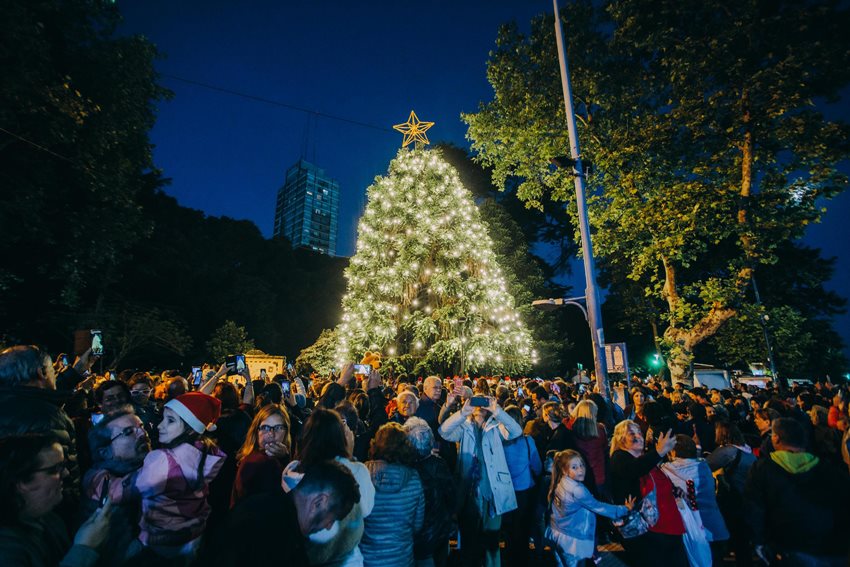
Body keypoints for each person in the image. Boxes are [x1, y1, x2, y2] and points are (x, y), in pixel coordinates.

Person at [121, 392, 225, 560]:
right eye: (163, 419)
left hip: (157, 545)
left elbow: (123, 492)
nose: (160, 426)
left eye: (170, 421)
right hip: (192, 540)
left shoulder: (162, 460)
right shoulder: (206, 453)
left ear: (191, 429)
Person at [201, 460, 362, 566]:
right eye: (333, 518)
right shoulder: (284, 545)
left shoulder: (256, 505)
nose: (328, 526)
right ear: (318, 502)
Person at [745, 417, 850, 565]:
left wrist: (758, 542)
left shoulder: (762, 469)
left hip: (787, 546)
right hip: (830, 547)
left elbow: (755, 509)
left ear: (776, 438)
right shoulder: (828, 469)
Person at [0, 346, 88, 517]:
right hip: (42, 520)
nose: (56, 375)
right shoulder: (49, 418)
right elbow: (64, 483)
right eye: (53, 371)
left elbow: (33, 395)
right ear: (41, 372)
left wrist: (75, 373)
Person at [0, 434, 112, 566]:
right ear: (22, 482)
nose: (66, 473)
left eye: (64, 465)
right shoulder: (6, 550)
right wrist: (84, 549)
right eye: (55, 469)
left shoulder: (51, 519)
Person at [283, 407, 375, 566]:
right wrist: (350, 457)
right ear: (341, 437)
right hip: (348, 561)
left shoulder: (292, 474)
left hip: (307, 558)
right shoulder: (357, 470)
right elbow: (365, 509)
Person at [439, 396, 522, 567]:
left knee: (492, 539)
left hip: (493, 492)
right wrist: (463, 412)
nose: (479, 407)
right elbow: (444, 432)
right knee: (470, 539)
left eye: (483, 403)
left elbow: (516, 431)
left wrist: (497, 410)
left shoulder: (496, 427)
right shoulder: (464, 427)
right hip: (469, 491)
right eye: (475, 403)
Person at [609, 420, 687, 567]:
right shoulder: (619, 458)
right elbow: (634, 470)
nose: (638, 436)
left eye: (639, 432)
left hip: (665, 526)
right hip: (644, 531)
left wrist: (675, 490)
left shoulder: (642, 458)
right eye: (632, 433)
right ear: (620, 438)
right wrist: (659, 452)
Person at [82, 408, 151, 565]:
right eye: (128, 432)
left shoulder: (146, 465)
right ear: (106, 452)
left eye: (142, 427)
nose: (142, 434)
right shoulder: (96, 478)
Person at [546, 450, 632, 567]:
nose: (580, 470)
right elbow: (598, 507)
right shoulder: (577, 489)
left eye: (581, 465)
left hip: (558, 532)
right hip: (571, 541)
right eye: (574, 467)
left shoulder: (561, 481)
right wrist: (624, 509)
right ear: (565, 470)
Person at [362, 422, 425, 567]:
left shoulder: (363, 473)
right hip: (400, 557)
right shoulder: (413, 478)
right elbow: (417, 524)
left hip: (367, 558)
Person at [660, 435, 726, 567]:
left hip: (691, 528)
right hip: (713, 525)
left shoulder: (666, 470)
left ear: (673, 451)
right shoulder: (704, 466)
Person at [404, 417, 455, 567]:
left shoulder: (405, 467)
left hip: (414, 534)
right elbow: (451, 497)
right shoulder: (439, 464)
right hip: (438, 531)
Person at [706, 422, 756, 567]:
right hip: (745, 497)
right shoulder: (747, 450)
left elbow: (706, 465)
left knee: (729, 532)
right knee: (741, 538)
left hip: (731, 498)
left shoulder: (728, 451)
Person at [501, 405, 542, 566]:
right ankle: (522, 556)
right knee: (523, 525)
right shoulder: (527, 440)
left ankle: (510, 555)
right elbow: (536, 464)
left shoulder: (500, 442)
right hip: (524, 487)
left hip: (506, 488)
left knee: (509, 526)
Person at [231, 404, 291, 506]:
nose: (271, 434)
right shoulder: (260, 463)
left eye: (278, 427)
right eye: (265, 428)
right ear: (256, 431)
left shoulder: (253, 457)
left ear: (286, 432)